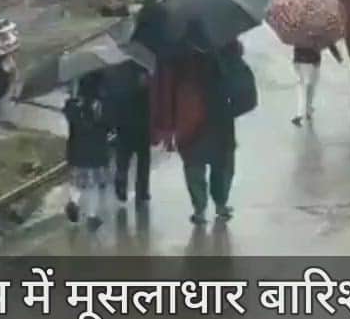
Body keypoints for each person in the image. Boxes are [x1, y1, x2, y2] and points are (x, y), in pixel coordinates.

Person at [152, 39, 241, 225]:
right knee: (222, 166)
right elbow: (236, 76)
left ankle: (200, 208)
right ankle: (220, 204)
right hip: (218, 118)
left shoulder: (174, 52)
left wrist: (166, 126)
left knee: (195, 167)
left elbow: (166, 91)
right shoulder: (224, 44)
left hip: (189, 121)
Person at [63, 72, 112, 229]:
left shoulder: (73, 105)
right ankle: (92, 216)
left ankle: (73, 203)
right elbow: (109, 125)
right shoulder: (101, 106)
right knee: (93, 185)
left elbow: (69, 116)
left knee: (77, 183)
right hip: (96, 152)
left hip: (77, 151)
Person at [104, 63, 152, 206]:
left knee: (123, 162)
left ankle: (122, 188)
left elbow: (113, 105)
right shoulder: (145, 89)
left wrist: (111, 125)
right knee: (142, 162)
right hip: (141, 129)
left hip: (125, 129)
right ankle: (142, 192)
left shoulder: (119, 82)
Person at [291, 42, 343, 126]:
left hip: (298, 61)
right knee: (311, 86)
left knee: (302, 86)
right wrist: (337, 56)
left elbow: (291, 37)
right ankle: (305, 111)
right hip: (313, 61)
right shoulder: (318, 31)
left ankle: (302, 112)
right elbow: (328, 41)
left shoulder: (298, 30)